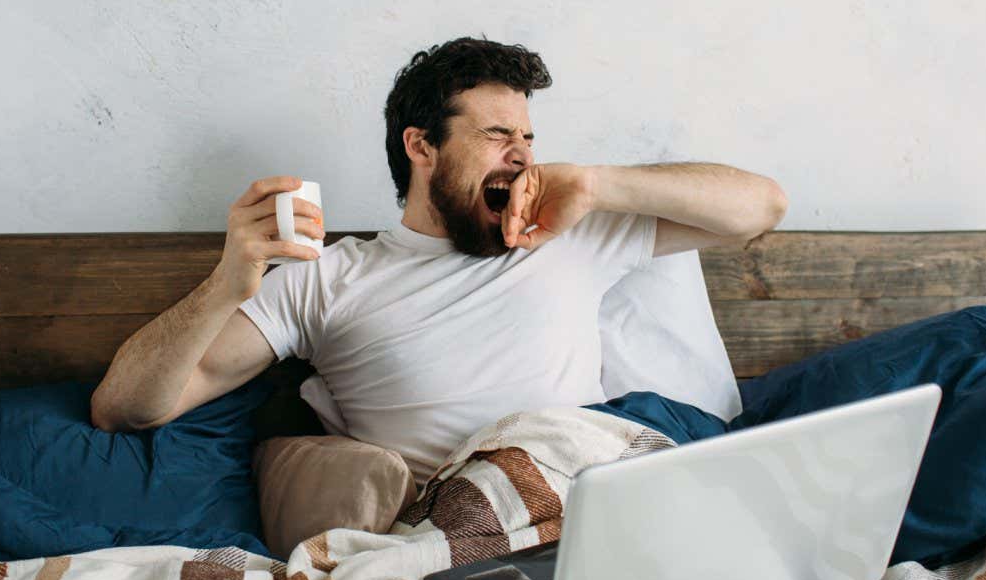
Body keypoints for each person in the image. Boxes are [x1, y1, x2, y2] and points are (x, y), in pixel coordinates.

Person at [90, 37, 788, 484]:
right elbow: (126, 410)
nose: (522, 154)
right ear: (420, 147)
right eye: (496, 135)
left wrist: (601, 183)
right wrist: (225, 285)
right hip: (464, 534)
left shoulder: (570, 231)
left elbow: (762, 207)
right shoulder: (326, 280)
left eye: (528, 136)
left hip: (600, 504)